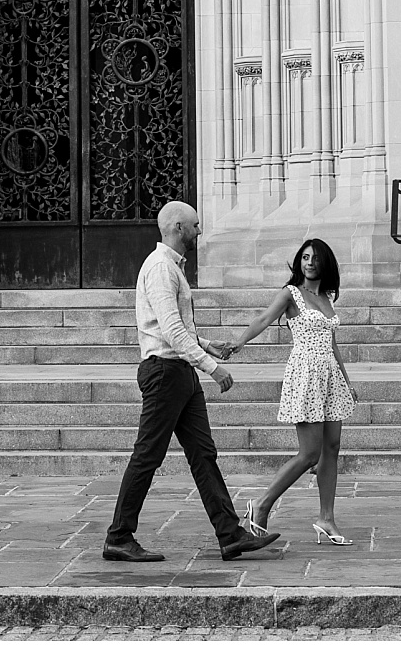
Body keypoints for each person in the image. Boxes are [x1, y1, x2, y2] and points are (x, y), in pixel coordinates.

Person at [103, 200, 282, 563]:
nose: (200, 231)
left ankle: (230, 536)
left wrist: (205, 344)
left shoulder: (172, 268)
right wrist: (211, 367)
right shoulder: (160, 269)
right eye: (195, 225)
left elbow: (173, 327)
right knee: (148, 456)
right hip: (165, 373)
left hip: (178, 372)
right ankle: (119, 536)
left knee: (203, 455)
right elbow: (168, 331)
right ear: (177, 227)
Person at [226, 238, 358, 545]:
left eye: (315, 258)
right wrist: (238, 344)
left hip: (331, 376)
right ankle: (261, 504)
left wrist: (347, 380)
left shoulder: (328, 296)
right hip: (306, 374)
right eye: (305, 257)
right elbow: (263, 319)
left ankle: (327, 519)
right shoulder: (291, 294)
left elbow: (332, 341)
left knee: (332, 448)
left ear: (325, 263)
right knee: (309, 453)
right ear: (299, 262)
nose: (310, 263)